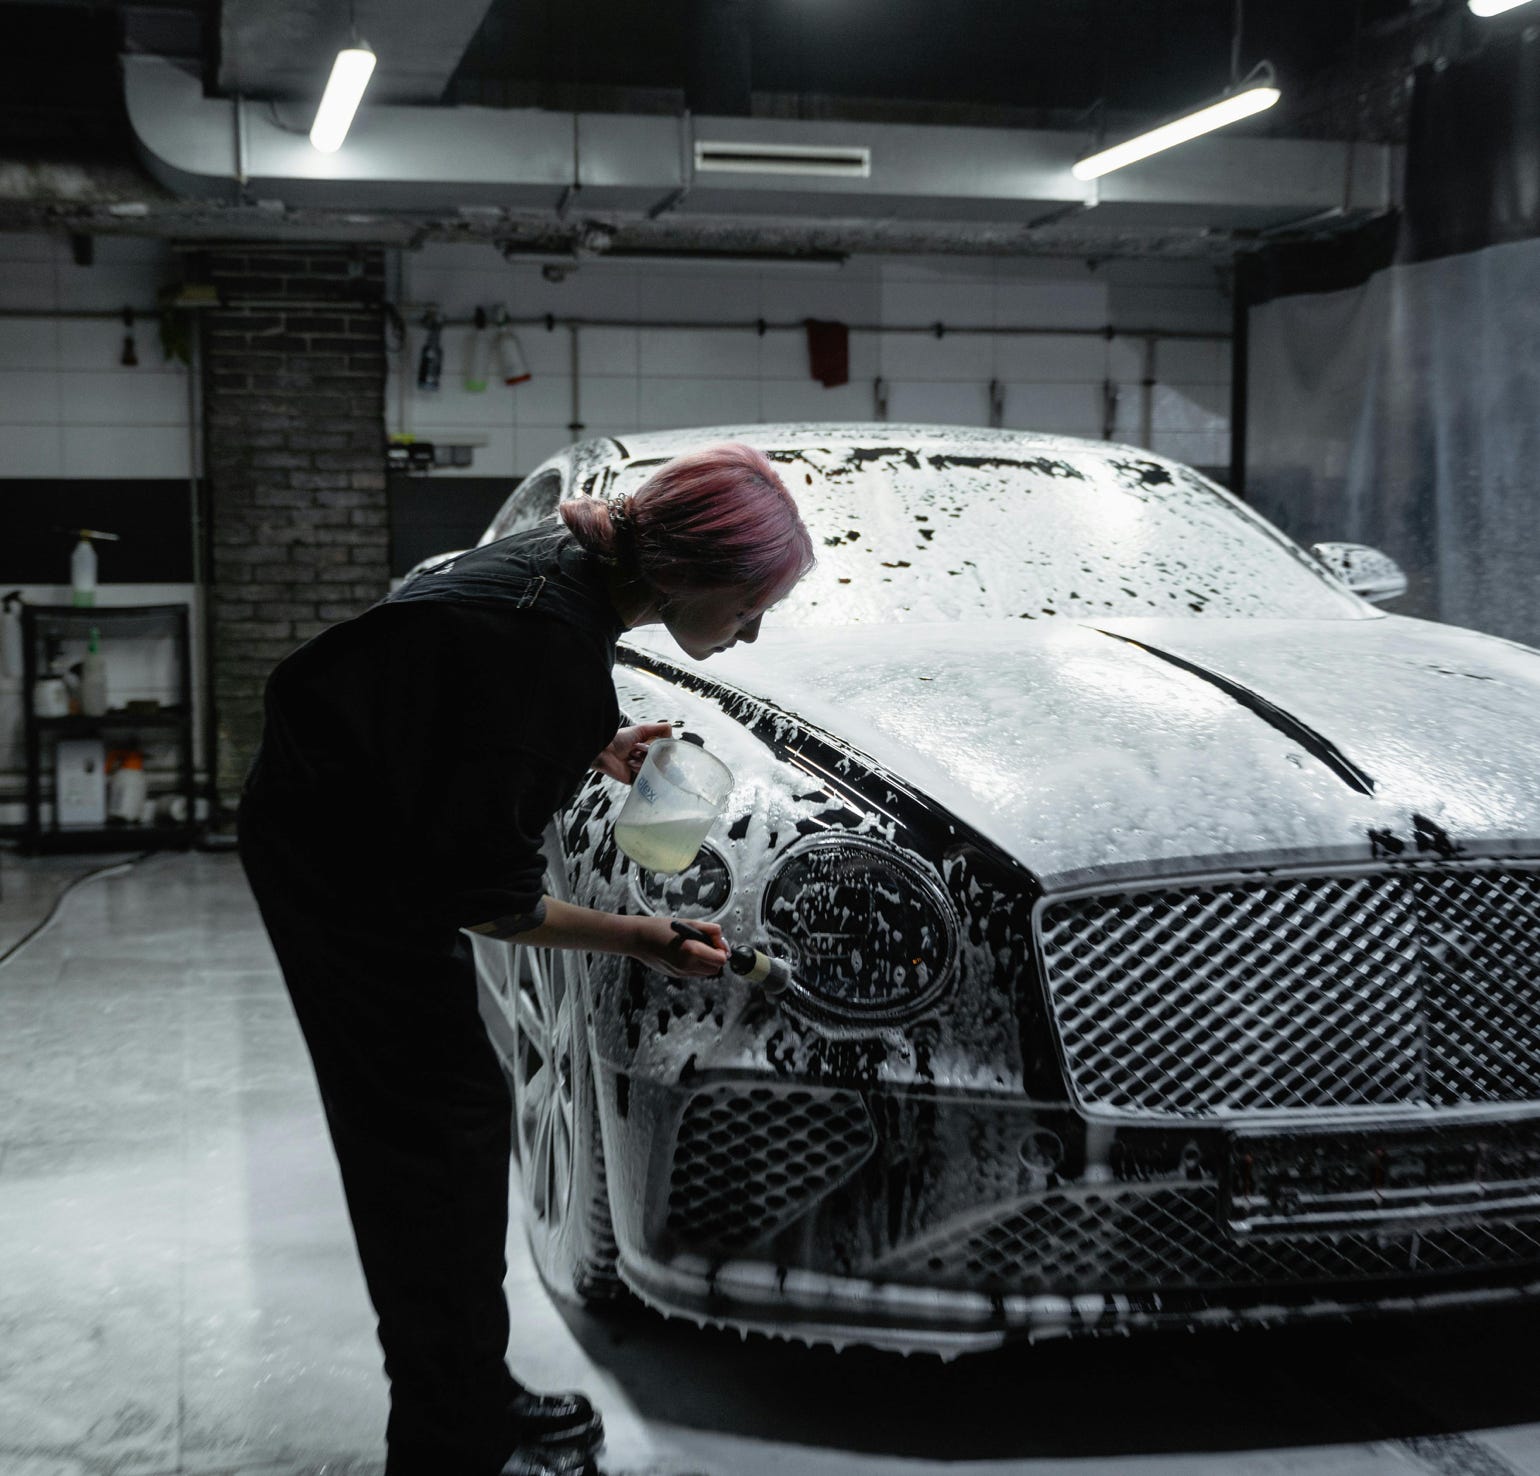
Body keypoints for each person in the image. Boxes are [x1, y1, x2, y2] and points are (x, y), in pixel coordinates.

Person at [237, 442, 814, 1476]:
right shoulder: (542, 644)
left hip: (344, 793)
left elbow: (475, 682)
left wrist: (591, 738)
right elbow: (490, 904)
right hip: (341, 861)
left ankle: (466, 1387)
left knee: (451, 1126)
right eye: (750, 601)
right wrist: (642, 936)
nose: (754, 627)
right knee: (429, 1146)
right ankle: (447, 1436)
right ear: (683, 573)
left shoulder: (571, 565)